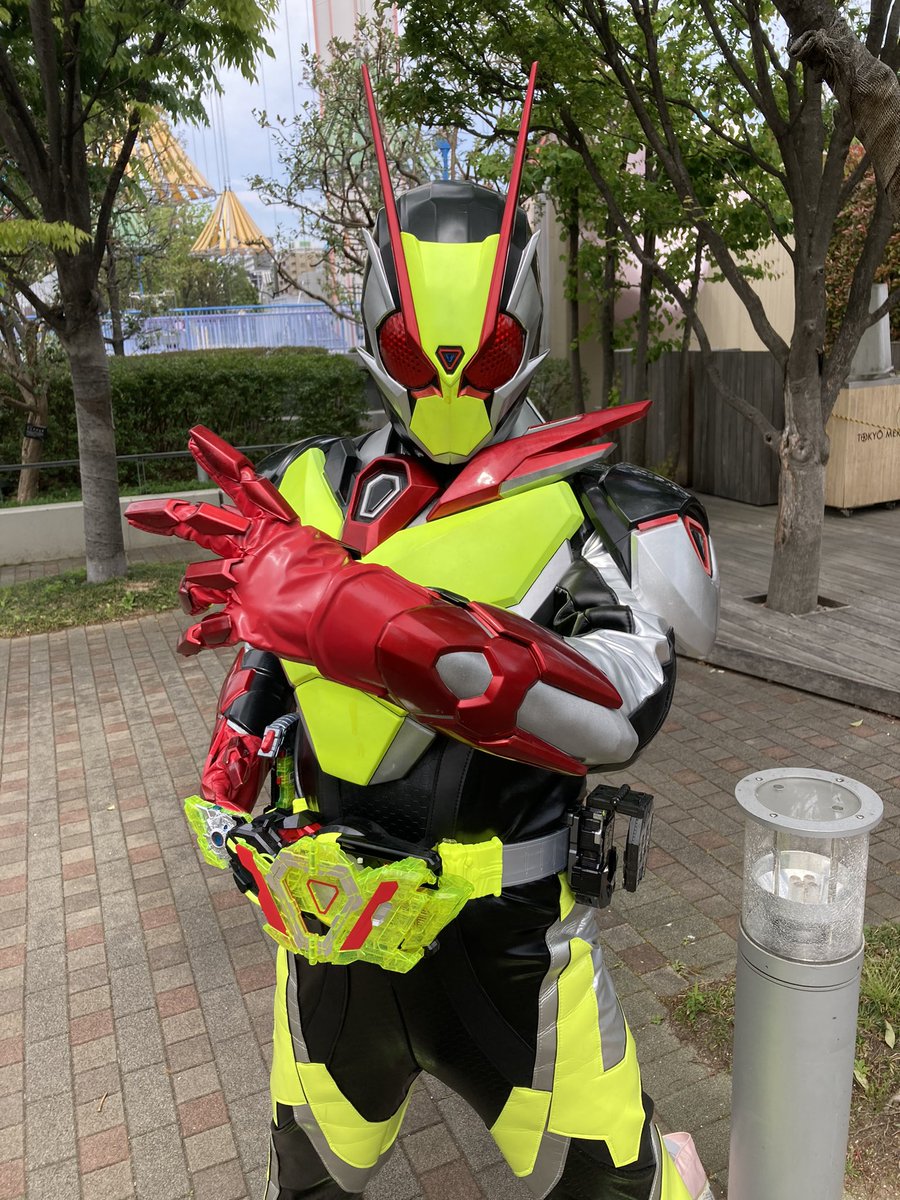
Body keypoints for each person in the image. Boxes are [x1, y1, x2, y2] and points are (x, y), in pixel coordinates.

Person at [127, 65, 719, 1200]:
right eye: (418, 355)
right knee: (306, 1184)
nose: (448, 385)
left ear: (526, 337)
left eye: (481, 359)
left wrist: (358, 617)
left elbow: (617, 709)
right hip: (335, 948)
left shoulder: (601, 507)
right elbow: (265, 675)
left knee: (621, 1190)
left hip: (516, 952)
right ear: (374, 336)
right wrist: (237, 773)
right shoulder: (307, 488)